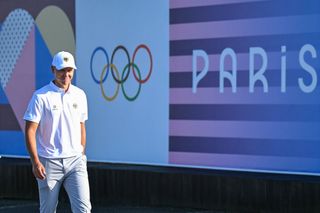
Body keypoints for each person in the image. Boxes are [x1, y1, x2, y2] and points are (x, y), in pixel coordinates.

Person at [24, 51, 91, 212]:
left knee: (84, 210)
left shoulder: (80, 95)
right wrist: (35, 162)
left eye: (69, 70)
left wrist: (81, 152)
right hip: (48, 162)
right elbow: (30, 131)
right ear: (53, 69)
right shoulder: (40, 96)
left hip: (75, 162)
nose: (66, 74)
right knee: (48, 210)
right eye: (62, 70)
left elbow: (81, 125)